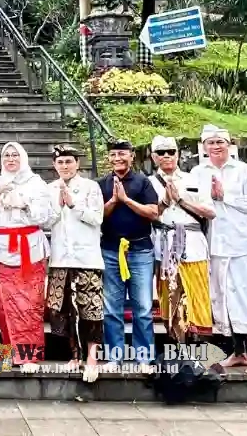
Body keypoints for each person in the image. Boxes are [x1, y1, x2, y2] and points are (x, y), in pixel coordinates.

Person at [194, 124, 247, 378]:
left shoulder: (244, 171)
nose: (216, 146)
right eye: (211, 142)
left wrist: (225, 196)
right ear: (204, 146)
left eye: (220, 142)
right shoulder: (198, 172)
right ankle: (238, 352)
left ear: (229, 144)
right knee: (225, 302)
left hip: (243, 246)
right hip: (216, 246)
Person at [0, 141, 53, 373]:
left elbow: (45, 216)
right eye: (6, 155)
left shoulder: (36, 183)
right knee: (7, 304)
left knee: (30, 304)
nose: (10, 159)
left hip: (30, 249)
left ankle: (29, 355)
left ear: (23, 158)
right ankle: (11, 353)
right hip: (4, 249)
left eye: (15, 155)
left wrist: (24, 205)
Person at [97, 139, 159, 371]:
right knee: (111, 308)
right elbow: (97, 215)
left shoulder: (143, 182)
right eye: (113, 155)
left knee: (142, 308)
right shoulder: (101, 184)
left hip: (140, 251)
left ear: (132, 156)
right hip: (110, 250)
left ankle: (144, 358)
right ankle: (114, 357)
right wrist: (114, 200)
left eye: (122, 154)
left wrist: (127, 200)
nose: (117, 159)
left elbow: (153, 212)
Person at [147, 135, 215, 344]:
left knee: (196, 292)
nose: (166, 156)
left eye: (171, 152)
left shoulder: (193, 179)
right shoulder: (148, 183)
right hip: (164, 246)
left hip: (193, 243)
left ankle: (198, 344)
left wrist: (181, 200)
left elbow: (210, 212)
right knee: (169, 295)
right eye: (161, 152)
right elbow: (147, 215)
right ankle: (176, 344)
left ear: (178, 154)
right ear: (153, 157)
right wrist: (165, 202)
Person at [46, 144, 105, 383]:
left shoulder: (91, 187)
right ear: (54, 165)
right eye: (60, 162)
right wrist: (58, 206)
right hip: (60, 258)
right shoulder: (50, 189)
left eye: (69, 161)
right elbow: (45, 221)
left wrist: (73, 204)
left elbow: (97, 218)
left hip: (86, 258)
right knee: (64, 310)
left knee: (90, 308)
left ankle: (92, 356)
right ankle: (74, 354)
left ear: (77, 163)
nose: (65, 166)